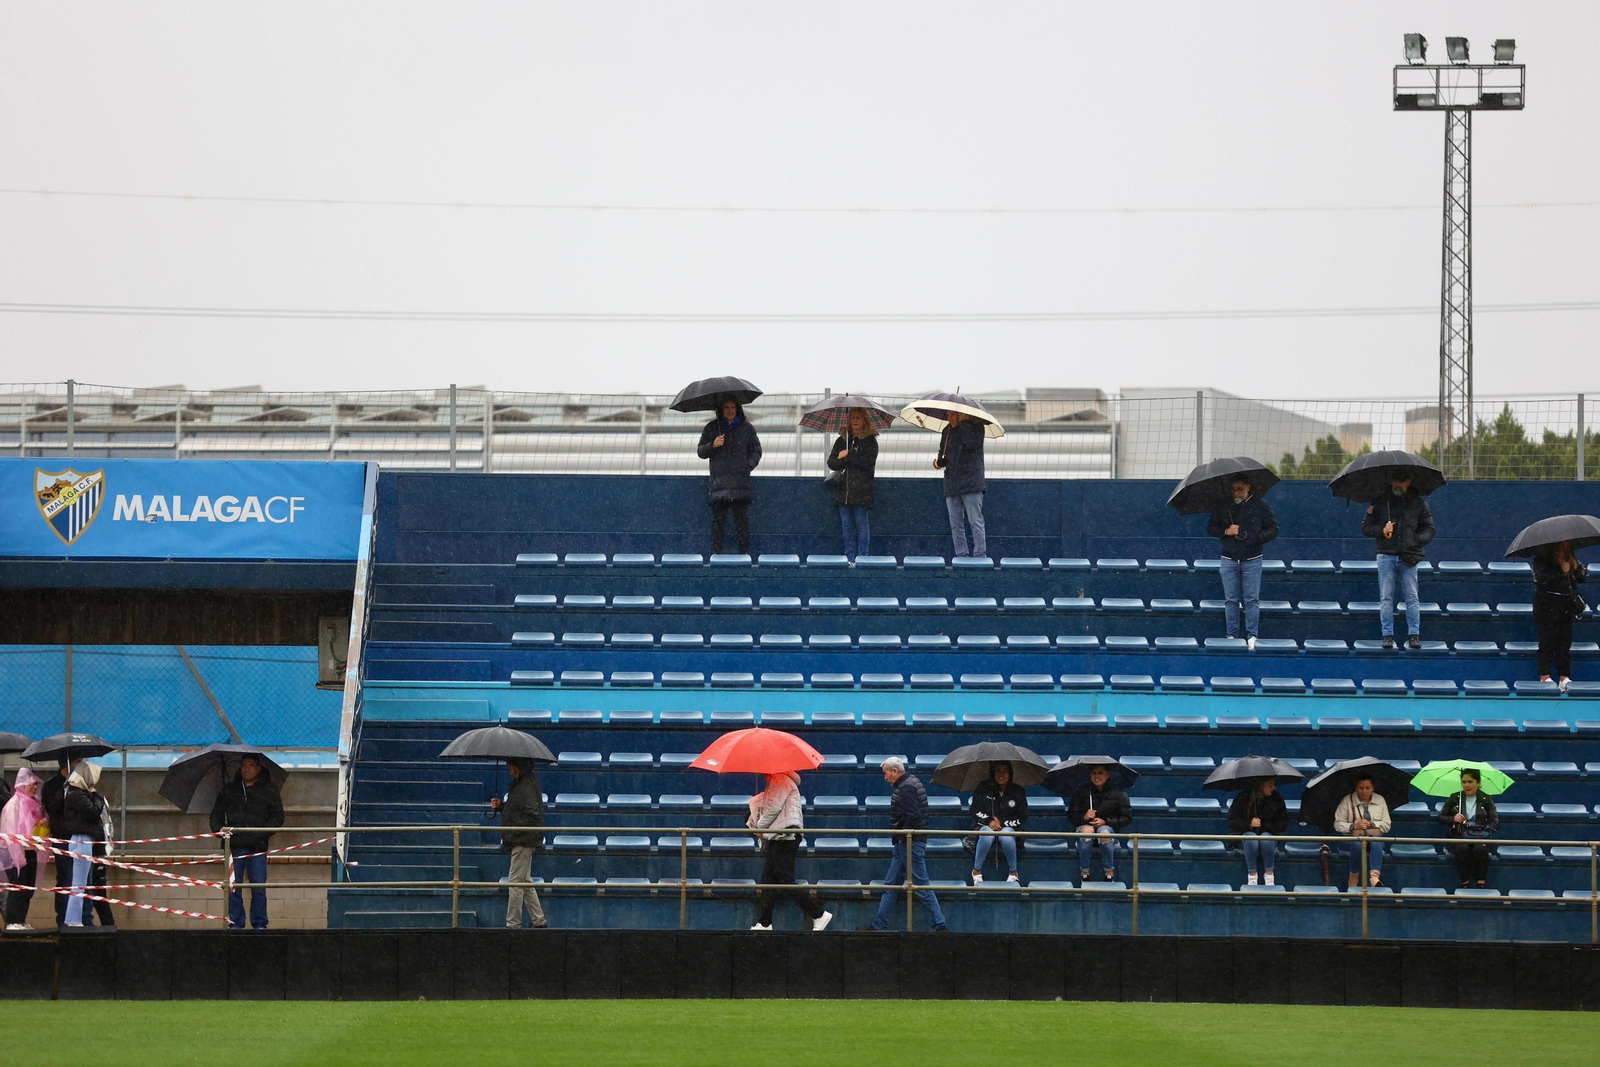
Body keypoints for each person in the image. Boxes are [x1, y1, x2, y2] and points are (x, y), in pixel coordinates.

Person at [869, 757, 947, 931]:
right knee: (891, 885)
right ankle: (879, 925)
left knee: (920, 885)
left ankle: (940, 924)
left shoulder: (905, 788)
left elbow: (914, 817)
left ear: (895, 771)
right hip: (905, 843)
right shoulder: (913, 783)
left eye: (886, 773)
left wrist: (903, 836)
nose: (885, 777)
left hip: (909, 843)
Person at [747, 771, 832, 932]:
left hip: (785, 836)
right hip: (779, 835)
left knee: (784, 879)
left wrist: (759, 826)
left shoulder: (780, 779)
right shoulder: (778, 781)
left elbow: (773, 808)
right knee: (768, 880)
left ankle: (819, 914)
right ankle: (765, 922)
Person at [209, 755, 285, 930]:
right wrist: (218, 829)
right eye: (243, 765)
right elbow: (216, 815)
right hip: (234, 846)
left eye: (251, 765)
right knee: (234, 888)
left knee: (258, 886)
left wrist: (262, 833)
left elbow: (278, 817)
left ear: (258, 768)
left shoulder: (269, 790)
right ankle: (236, 923)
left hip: (257, 847)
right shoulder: (229, 790)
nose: (246, 769)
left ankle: (259, 924)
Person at [1360, 473, 1435, 649]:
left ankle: (1414, 636)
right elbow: (1365, 527)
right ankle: (1387, 636)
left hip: (1409, 555)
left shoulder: (1419, 503)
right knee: (1386, 597)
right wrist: (1381, 529)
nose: (1397, 484)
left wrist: (1415, 540)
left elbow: (1430, 529)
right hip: (1386, 554)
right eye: (1394, 480)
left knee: (1412, 597)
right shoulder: (1379, 501)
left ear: (1409, 482)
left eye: (1401, 481)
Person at [1206, 473, 1279, 651]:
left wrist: (1256, 538)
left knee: (1251, 600)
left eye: (1239, 489)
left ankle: (1252, 635)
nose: (1236, 493)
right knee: (1231, 600)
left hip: (1252, 559)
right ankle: (1231, 634)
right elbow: (1210, 528)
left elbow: (1274, 529)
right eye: (1233, 490)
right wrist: (1226, 531)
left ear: (1248, 487)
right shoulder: (1224, 506)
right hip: (1229, 558)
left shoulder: (1261, 506)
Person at [696, 397, 762, 556]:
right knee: (718, 522)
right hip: (719, 484)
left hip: (740, 482)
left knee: (742, 522)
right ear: (721, 409)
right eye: (726, 407)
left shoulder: (747, 428)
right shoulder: (712, 428)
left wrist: (747, 466)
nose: (730, 410)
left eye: (733, 407)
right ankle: (716, 554)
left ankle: (744, 554)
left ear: (738, 408)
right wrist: (713, 445)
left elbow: (756, 450)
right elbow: (701, 452)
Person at [490, 758, 547, 930]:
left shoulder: (525, 787)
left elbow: (532, 815)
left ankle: (513, 925)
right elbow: (520, 810)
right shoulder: (524, 784)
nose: (508, 769)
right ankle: (539, 921)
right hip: (524, 839)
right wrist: (502, 807)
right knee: (524, 881)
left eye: (511, 766)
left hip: (522, 841)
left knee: (515, 882)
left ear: (518, 767)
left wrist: (515, 831)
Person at [60, 760, 111, 928]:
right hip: (81, 840)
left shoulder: (77, 793)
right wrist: (98, 796)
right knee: (79, 884)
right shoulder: (76, 794)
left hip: (85, 841)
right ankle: (73, 920)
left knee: (84, 884)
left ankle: (80, 919)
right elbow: (92, 812)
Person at [1532, 540, 1587, 691]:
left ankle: (1564, 677)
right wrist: (1560, 571)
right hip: (1546, 604)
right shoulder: (1542, 558)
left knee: (1564, 642)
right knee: (1547, 641)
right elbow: (1542, 579)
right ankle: (1545, 676)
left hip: (1565, 603)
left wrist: (1575, 570)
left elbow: (1582, 574)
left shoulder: (1571, 556)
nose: (1567, 544)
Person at [825, 408, 879, 564]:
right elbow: (832, 462)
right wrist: (843, 458)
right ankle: (849, 558)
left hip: (862, 491)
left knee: (862, 526)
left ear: (864, 421)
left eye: (858, 418)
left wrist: (849, 455)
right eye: (852, 418)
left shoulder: (870, 441)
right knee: (847, 527)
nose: (855, 421)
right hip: (843, 491)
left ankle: (862, 558)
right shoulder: (842, 440)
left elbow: (868, 463)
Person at [934, 409, 986, 559]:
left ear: (964, 414)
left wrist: (963, 423)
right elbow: (942, 454)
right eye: (948, 415)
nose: (950, 418)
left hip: (971, 482)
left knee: (975, 520)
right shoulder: (947, 430)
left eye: (954, 414)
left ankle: (980, 555)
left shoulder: (977, 428)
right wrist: (940, 461)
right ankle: (961, 554)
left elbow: (971, 443)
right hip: (952, 482)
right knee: (955, 523)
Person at [1066, 765, 1132, 883]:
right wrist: (1084, 817)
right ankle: (1084, 872)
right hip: (1085, 827)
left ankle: (1109, 872)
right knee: (1087, 831)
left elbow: (1126, 818)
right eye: (1094, 773)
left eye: (1101, 773)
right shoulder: (1081, 792)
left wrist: (1105, 821)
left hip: (1107, 829)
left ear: (1107, 775)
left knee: (1104, 831)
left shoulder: (1119, 794)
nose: (1097, 776)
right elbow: (1071, 816)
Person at [2, 768, 48, 930]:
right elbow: (11, 831)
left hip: (30, 851)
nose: (34, 787)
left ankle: (20, 919)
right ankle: (13, 921)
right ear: (22, 784)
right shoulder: (14, 804)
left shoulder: (33, 803)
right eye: (31, 784)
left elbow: (33, 828)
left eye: (36, 784)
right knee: (18, 886)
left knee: (28, 887)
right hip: (15, 852)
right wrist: (18, 856)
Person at [968, 761, 1028, 884]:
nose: (1001, 774)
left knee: (1006, 835)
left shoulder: (1018, 791)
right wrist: (989, 821)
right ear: (993, 773)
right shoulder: (983, 788)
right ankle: (976, 871)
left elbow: (1022, 816)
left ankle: (1013, 872)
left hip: (1009, 828)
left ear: (1010, 773)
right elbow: (975, 810)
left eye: (1005, 771)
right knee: (986, 834)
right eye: (998, 771)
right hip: (986, 826)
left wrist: (1003, 823)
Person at [1439, 768, 1498, 889]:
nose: (1467, 785)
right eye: (1464, 782)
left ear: (1478, 783)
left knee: (1480, 850)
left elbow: (1494, 821)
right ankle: (1465, 882)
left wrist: (1485, 830)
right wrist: (1453, 818)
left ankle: (1480, 882)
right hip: (1460, 835)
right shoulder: (1455, 797)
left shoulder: (1486, 799)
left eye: (1470, 781)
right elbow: (1441, 818)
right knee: (1462, 848)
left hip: (1480, 836)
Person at [1333, 775, 1391, 888]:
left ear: (1373, 788)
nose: (1364, 791)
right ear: (1356, 788)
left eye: (1367, 788)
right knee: (1357, 844)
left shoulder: (1380, 800)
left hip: (1374, 836)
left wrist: (1372, 824)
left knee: (1377, 840)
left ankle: (1374, 876)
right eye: (1361, 788)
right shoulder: (1347, 800)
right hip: (1353, 838)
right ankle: (1353, 876)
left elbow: (1387, 824)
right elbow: (1338, 824)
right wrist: (1354, 826)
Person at [1228, 778, 1288, 886]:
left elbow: (1283, 823)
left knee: (1266, 839)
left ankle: (1269, 875)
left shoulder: (1277, 799)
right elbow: (1233, 821)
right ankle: (1252, 875)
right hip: (1244, 835)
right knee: (1251, 839)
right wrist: (1249, 824)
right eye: (1270, 785)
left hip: (1269, 834)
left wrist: (1264, 825)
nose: (1273, 788)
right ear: (1260, 786)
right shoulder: (1242, 798)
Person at [41, 760, 75, 928]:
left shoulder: (79, 782)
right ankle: (62, 920)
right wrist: (64, 789)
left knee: (80, 880)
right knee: (65, 878)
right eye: (77, 762)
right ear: (66, 764)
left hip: (78, 836)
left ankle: (78, 918)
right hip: (61, 837)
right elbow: (52, 808)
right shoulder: (51, 785)